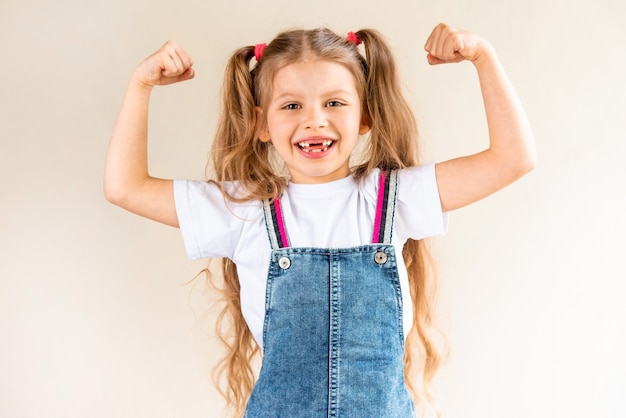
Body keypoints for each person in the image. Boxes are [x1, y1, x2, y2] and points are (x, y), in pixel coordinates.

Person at [104, 23, 536, 418]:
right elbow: (125, 186)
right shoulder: (244, 210)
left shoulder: (395, 198)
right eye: (291, 105)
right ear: (261, 124)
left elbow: (513, 158)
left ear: (365, 115)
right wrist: (140, 85)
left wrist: (484, 57)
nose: (314, 119)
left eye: (334, 102)